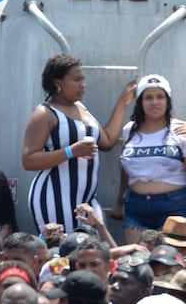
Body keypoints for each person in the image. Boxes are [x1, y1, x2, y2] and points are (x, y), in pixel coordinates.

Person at [22, 54, 135, 232]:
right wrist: (70, 152)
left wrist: (123, 102)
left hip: (87, 199)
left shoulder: (81, 108)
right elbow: (29, 160)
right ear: (58, 82)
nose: (83, 84)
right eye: (77, 79)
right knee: (63, 255)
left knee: (93, 252)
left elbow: (107, 142)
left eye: (83, 79)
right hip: (55, 198)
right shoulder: (44, 113)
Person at [112, 74, 186, 243]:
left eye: (160, 97)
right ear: (140, 102)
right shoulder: (129, 130)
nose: (154, 102)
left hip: (173, 206)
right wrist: (119, 202)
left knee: (171, 262)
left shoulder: (179, 129)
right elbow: (127, 171)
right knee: (137, 262)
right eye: (148, 97)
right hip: (136, 205)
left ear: (167, 101)